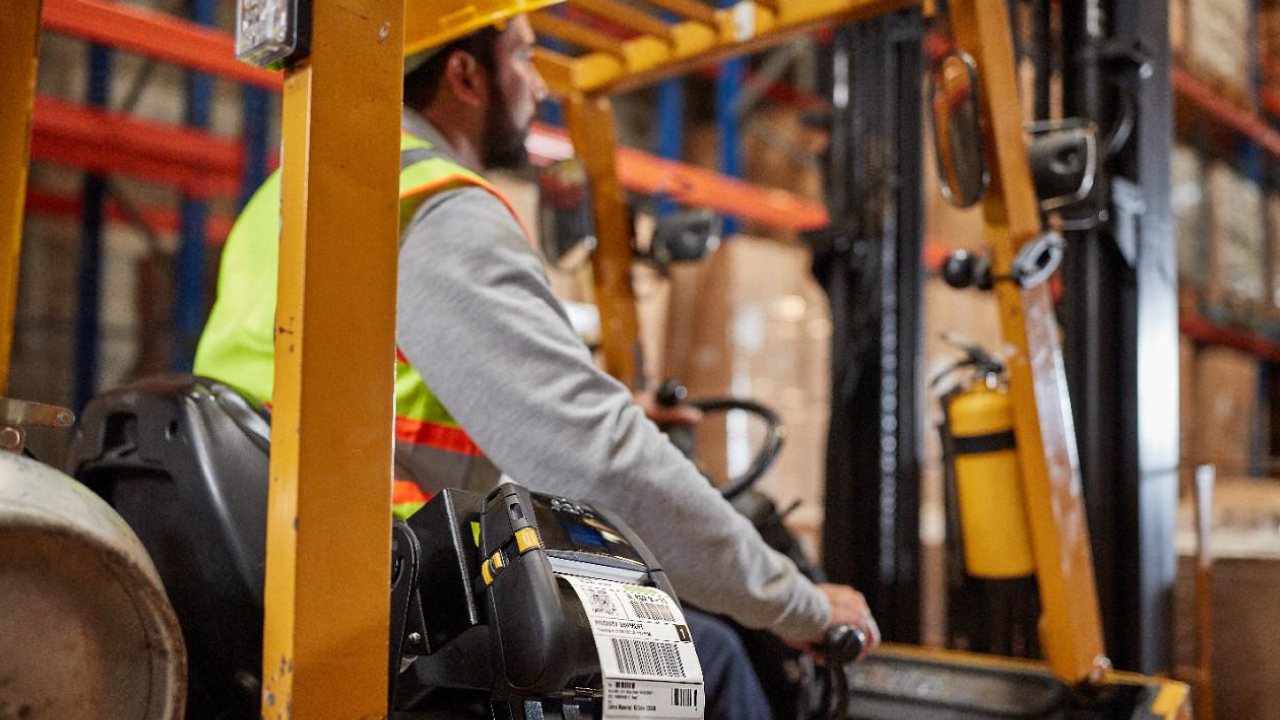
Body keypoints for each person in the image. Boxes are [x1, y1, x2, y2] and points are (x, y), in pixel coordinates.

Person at [194, 1, 879, 715]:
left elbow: (373, 409)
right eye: (522, 56)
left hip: (286, 575)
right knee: (711, 655)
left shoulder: (290, 193)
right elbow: (599, 459)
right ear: (465, 74)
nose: (540, 86)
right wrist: (793, 603)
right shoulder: (433, 207)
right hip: (393, 613)